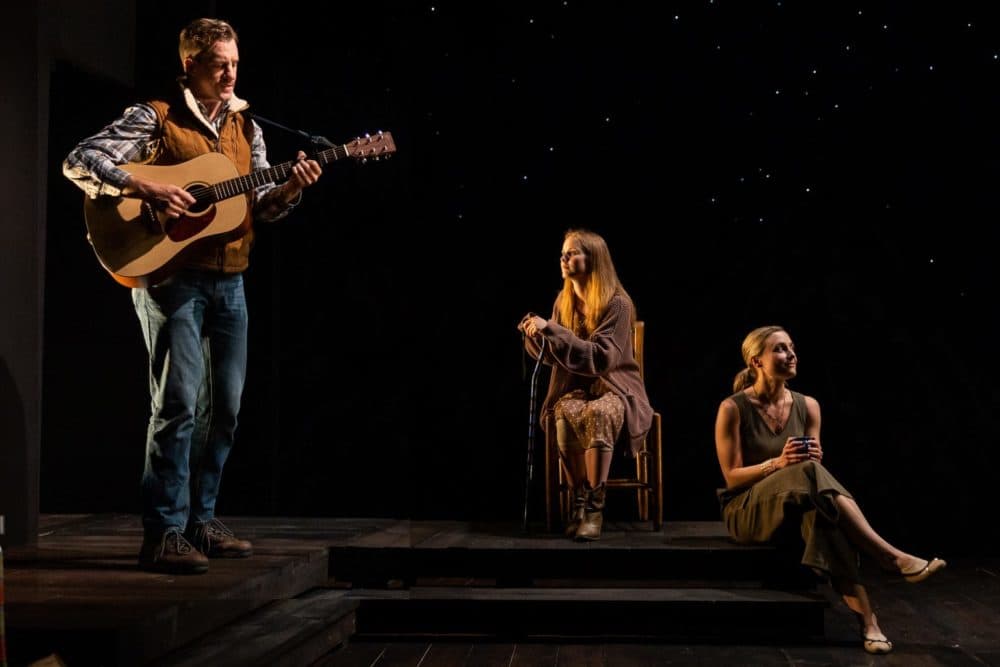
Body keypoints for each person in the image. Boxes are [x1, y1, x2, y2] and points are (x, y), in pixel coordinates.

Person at [63, 18, 323, 574]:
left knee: (224, 410)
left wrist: (292, 188)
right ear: (191, 65)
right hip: (169, 279)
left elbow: (262, 206)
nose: (230, 73)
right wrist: (145, 185)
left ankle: (201, 523)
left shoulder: (246, 126)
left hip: (231, 280)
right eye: (219, 64)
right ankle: (163, 532)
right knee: (177, 405)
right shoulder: (157, 117)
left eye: (235, 62)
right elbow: (80, 159)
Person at [714, 325, 946, 654]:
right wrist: (778, 464)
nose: (791, 354)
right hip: (747, 510)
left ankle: (870, 623)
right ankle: (887, 556)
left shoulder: (809, 406)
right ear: (756, 362)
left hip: (797, 502)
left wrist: (811, 457)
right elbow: (732, 477)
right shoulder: (732, 408)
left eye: (792, 347)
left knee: (822, 518)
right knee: (809, 475)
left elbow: (813, 466)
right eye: (780, 349)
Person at [518, 229, 653, 541]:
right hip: (573, 389)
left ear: (594, 258)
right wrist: (536, 336)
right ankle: (578, 500)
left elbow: (600, 359)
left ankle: (594, 505)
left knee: (599, 414)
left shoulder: (618, 304)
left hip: (615, 388)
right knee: (561, 413)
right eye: (563, 252)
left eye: (573, 252)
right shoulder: (563, 302)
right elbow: (553, 358)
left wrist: (552, 330)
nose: (564, 258)